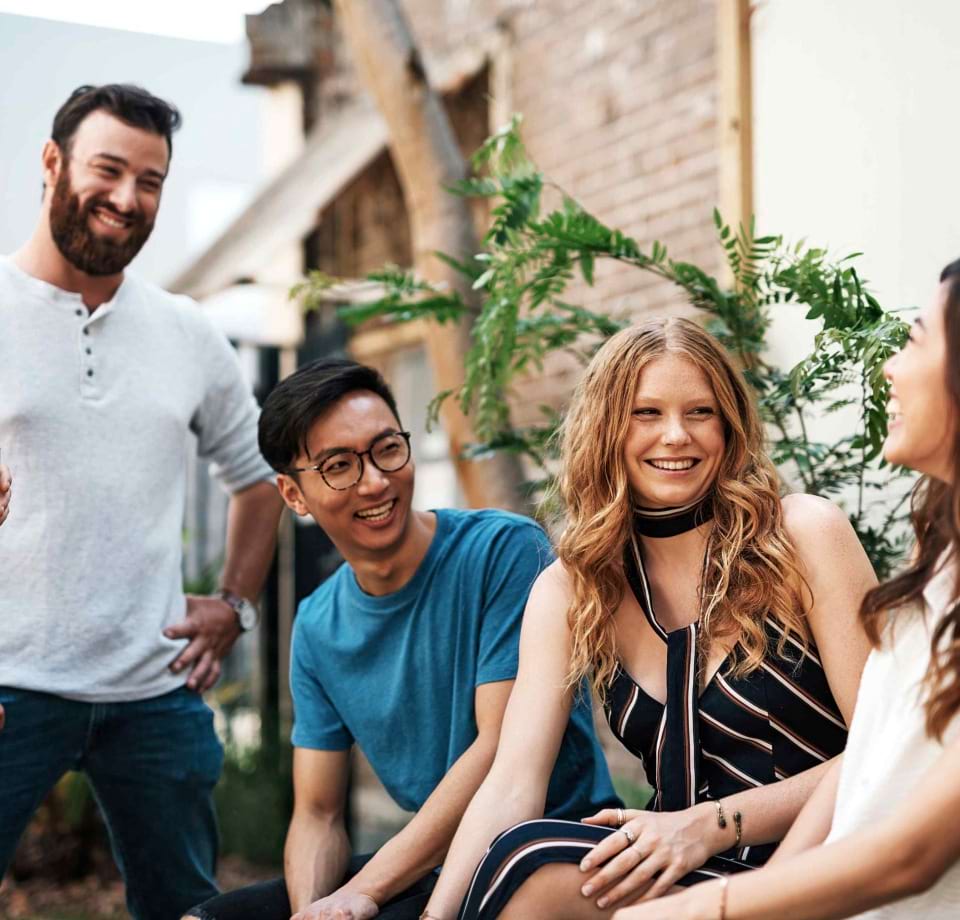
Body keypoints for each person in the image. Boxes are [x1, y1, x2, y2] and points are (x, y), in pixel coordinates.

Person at [419, 317, 877, 920]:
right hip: (684, 878)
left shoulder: (802, 535)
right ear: (607, 428)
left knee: (535, 861)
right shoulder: (573, 589)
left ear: (730, 425)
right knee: (520, 854)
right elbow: (512, 785)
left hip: (830, 864)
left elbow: (886, 747)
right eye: (646, 413)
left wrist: (710, 826)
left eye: (700, 412)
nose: (676, 436)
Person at [184, 357, 619, 920]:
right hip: (428, 865)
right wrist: (314, 910)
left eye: (387, 448)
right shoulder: (317, 627)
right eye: (339, 465)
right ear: (293, 496)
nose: (375, 481)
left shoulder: (505, 552)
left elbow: (497, 753)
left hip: (543, 851)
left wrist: (364, 889)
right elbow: (317, 814)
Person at [0, 85, 283, 920]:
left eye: (150, 180)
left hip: (153, 695)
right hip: (10, 689)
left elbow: (261, 478)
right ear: (52, 164)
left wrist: (235, 604)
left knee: (188, 910)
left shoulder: (187, 330)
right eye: (108, 169)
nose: (128, 198)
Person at [610, 261, 960, 919]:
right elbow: (868, 768)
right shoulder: (938, 558)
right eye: (644, 413)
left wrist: (704, 907)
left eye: (915, 340)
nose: (887, 368)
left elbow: (915, 852)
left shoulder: (805, 531)